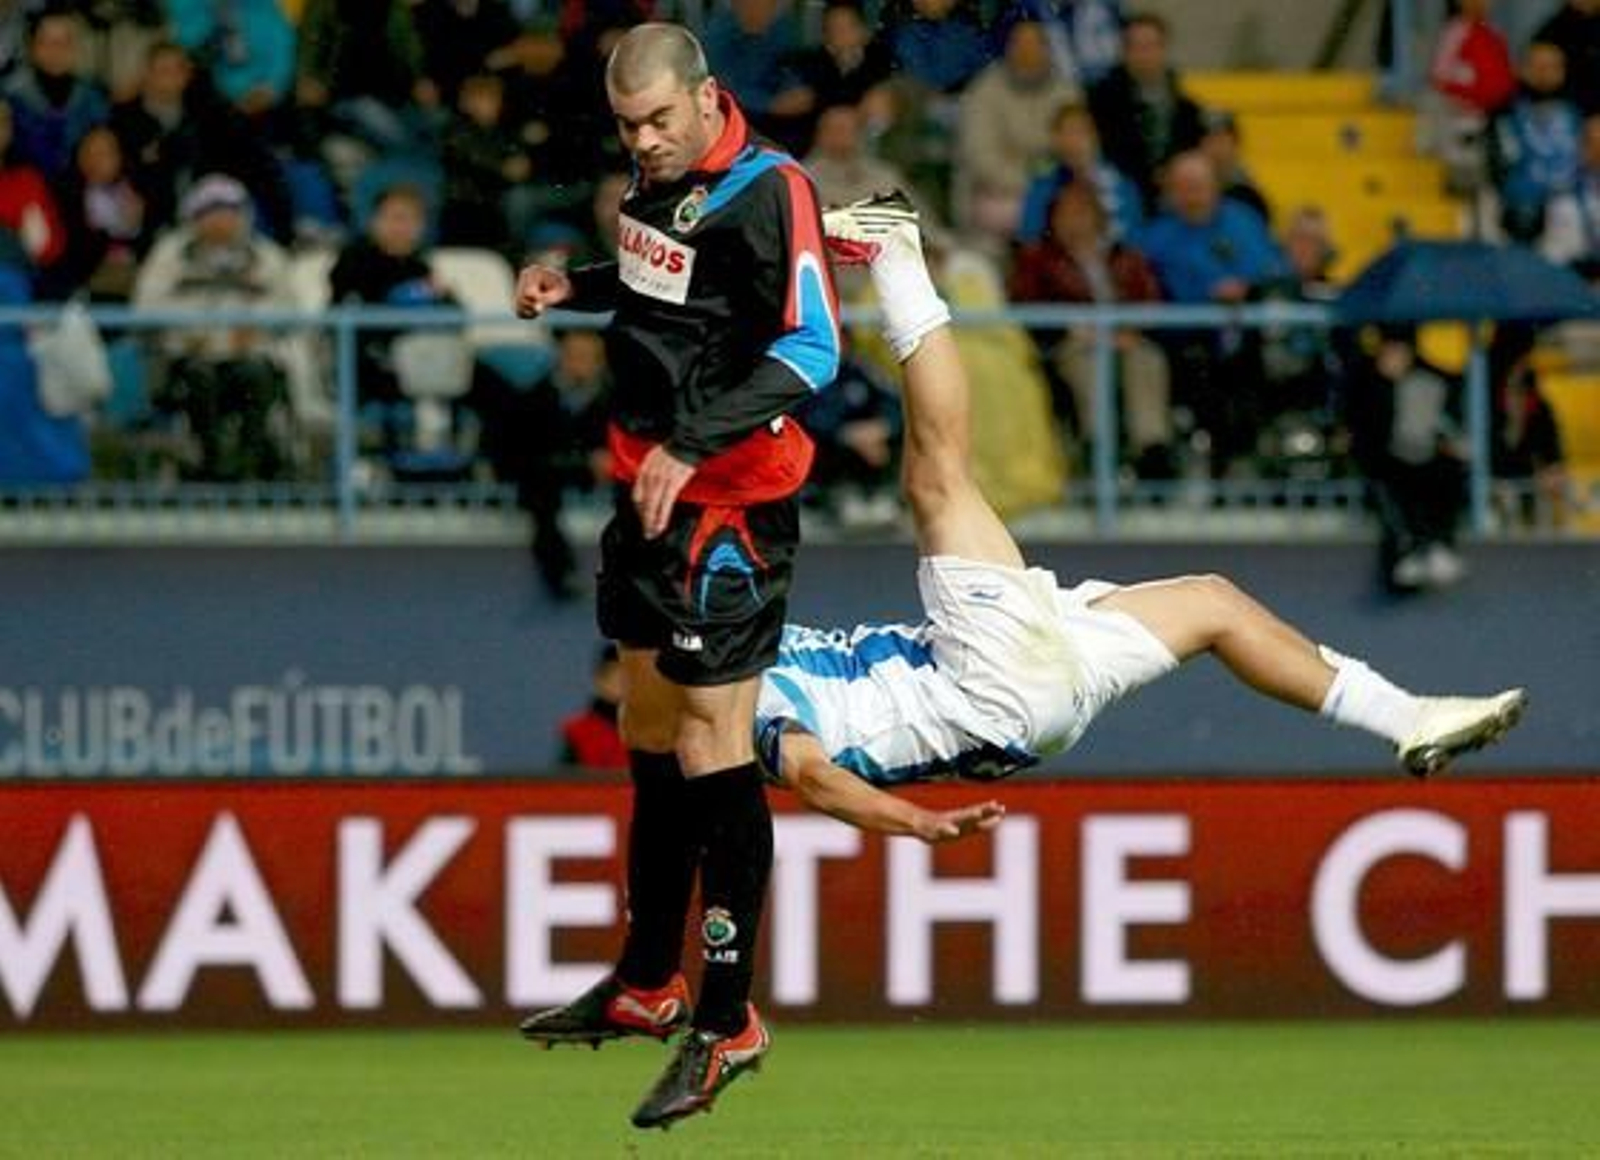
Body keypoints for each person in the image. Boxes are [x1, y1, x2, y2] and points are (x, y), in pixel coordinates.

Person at [755, 191, 1525, 841]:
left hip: (1028, 703)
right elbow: (813, 779)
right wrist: (915, 823)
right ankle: (895, 256)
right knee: (939, 482)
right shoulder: (732, 705)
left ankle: (1410, 715)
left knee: (1214, 605)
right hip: (987, 690)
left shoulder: (728, 644)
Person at [511, 24, 840, 1130]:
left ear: (708, 97)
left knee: (710, 742)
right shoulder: (657, 188)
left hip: (728, 507)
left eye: (658, 119)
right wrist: (578, 282)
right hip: (647, 495)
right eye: (625, 124)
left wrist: (694, 444)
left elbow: (810, 349)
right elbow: (673, 293)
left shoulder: (770, 186)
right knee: (649, 729)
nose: (641, 140)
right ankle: (650, 980)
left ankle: (728, 1014)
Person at [557, 643, 628, 771]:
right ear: (598, 679)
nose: (620, 682)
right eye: (613, 674)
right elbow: (564, 783)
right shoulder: (578, 732)